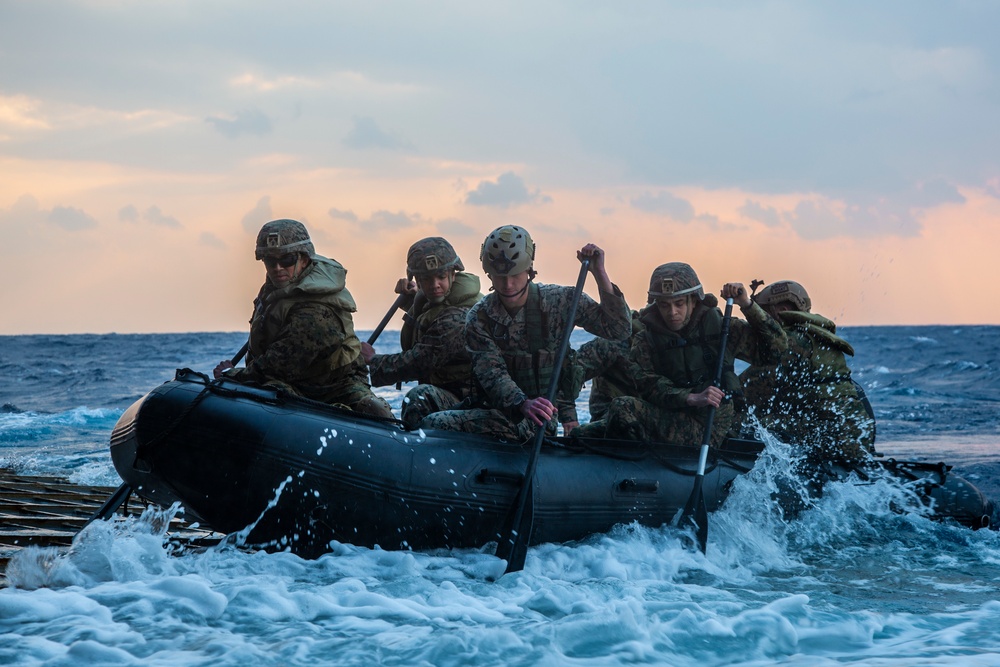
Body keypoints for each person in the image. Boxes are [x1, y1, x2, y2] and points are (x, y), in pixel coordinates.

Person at [419, 225, 632, 441]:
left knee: (434, 423)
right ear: (489, 274)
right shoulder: (479, 316)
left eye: (515, 275)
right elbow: (492, 372)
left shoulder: (560, 301)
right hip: (500, 407)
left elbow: (618, 329)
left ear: (529, 269)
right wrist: (521, 403)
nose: (508, 284)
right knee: (420, 402)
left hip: (537, 419)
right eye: (499, 276)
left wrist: (599, 273)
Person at [572, 262, 787, 447]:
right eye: (665, 305)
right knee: (581, 435)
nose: (672, 313)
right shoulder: (646, 337)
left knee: (623, 408)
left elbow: (775, 351)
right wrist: (691, 398)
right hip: (671, 414)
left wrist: (747, 305)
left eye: (679, 304)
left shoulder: (721, 329)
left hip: (711, 423)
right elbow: (647, 384)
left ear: (694, 300)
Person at [213, 219, 392, 418]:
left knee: (373, 410)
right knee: (269, 393)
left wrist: (232, 374)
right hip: (294, 382)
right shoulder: (277, 288)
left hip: (335, 385)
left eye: (287, 259)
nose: (278, 267)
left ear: (304, 259)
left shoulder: (316, 311)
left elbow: (280, 364)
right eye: (271, 261)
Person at [740, 280, 876, 463]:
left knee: (746, 425)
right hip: (852, 437)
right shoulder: (816, 338)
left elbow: (745, 390)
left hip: (832, 438)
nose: (762, 320)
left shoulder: (795, 343)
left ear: (781, 310)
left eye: (764, 311)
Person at [362, 237, 484, 429]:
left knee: (419, 398)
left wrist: (374, 360)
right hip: (452, 393)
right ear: (417, 280)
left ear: (453, 274)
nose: (434, 284)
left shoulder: (460, 317)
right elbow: (431, 319)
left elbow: (421, 361)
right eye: (426, 279)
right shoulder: (442, 303)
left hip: (470, 401)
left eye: (441, 277)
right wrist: (414, 301)